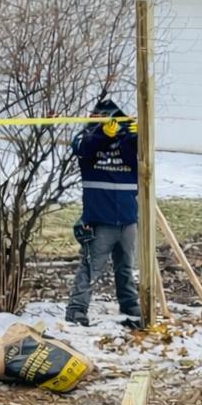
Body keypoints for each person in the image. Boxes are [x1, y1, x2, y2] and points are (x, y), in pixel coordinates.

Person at [65, 98, 140, 327]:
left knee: (125, 267)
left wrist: (134, 137)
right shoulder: (89, 144)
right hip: (100, 221)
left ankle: (129, 304)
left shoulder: (128, 145)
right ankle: (77, 310)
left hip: (127, 220)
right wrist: (102, 135)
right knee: (90, 267)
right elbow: (81, 147)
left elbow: (138, 160)